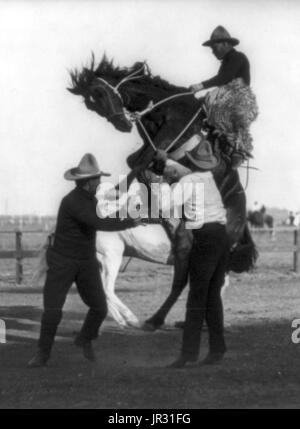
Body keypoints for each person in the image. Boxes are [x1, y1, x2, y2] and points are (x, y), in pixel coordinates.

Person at [28, 153, 140, 368]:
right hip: (62, 262)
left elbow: (116, 194)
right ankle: (42, 353)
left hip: (85, 262)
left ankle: (84, 338)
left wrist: (137, 170)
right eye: (97, 179)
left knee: (99, 308)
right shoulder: (72, 202)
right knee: (53, 311)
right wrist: (129, 221)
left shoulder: (90, 198)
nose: (100, 182)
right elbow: (100, 222)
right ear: (87, 182)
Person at [153, 141, 229, 368]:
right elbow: (185, 171)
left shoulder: (188, 181)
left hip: (205, 240)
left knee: (196, 297)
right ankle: (217, 349)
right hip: (221, 238)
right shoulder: (208, 178)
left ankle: (188, 354)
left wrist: (161, 180)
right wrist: (165, 161)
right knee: (212, 296)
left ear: (192, 162)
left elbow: (165, 207)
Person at [189, 25, 258, 169]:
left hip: (237, 100)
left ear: (226, 44)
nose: (212, 51)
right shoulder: (228, 60)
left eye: (214, 47)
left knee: (210, 106)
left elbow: (223, 78)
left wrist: (200, 86)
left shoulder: (237, 57)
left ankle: (236, 150)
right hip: (228, 98)